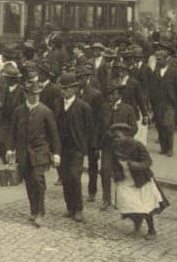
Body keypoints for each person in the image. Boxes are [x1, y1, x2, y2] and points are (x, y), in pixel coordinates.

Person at [9, 79, 61, 227]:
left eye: (37, 94)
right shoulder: (19, 111)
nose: (34, 97)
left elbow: (54, 135)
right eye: (31, 94)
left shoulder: (45, 111)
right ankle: (33, 210)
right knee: (29, 182)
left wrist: (56, 153)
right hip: (23, 153)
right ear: (25, 94)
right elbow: (12, 132)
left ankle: (40, 213)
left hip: (40, 152)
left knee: (38, 180)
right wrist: (9, 149)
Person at [108, 124, 169, 239]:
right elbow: (114, 161)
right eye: (114, 138)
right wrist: (115, 173)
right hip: (125, 179)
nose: (116, 140)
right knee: (129, 205)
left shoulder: (137, 145)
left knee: (145, 206)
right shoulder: (115, 146)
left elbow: (148, 161)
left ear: (126, 135)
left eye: (119, 137)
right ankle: (136, 228)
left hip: (140, 180)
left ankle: (152, 230)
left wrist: (135, 165)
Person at [53, 73, 93, 223]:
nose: (64, 91)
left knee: (74, 176)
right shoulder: (57, 104)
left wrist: (85, 148)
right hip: (61, 148)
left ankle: (78, 209)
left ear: (75, 89)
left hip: (76, 148)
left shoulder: (83, 107)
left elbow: (89, 129)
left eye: (67, 88)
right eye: (62, 88)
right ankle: (70, 207)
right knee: (64, 177)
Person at [98, 81, 139, 211]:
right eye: (109, 94)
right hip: (107, 146)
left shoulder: (128, 109)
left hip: (122, 149)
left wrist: (123, 136)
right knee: (105, 172)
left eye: (113, 94)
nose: (110, 97)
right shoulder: (104, 108)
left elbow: (134, 128)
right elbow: (98, 127)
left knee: (121, 173)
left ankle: (120, 200)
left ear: (119, 95)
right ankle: (106, 199)